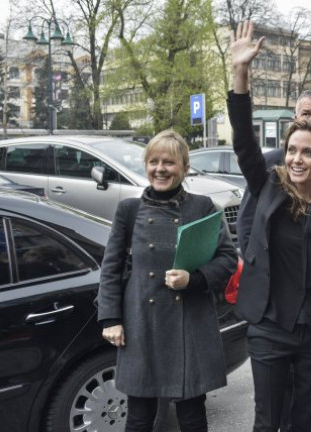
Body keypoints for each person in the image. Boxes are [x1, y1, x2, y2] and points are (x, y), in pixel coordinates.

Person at [227, 21, 311, 432]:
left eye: (307, 152)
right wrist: (240, 74)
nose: (297, 159)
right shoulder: (267, 188)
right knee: (267, 422)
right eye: (291, 150)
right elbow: (244, 140)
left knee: (302, 422)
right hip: (270, 329)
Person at [97, 130, 237, 432]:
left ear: (185, 168)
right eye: (154, 161)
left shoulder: (202, 207)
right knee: (138, 417)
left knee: (192, 416)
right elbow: (111, 267)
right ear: (146, 165)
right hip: (141, 322)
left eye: (169, 163)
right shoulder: (129, 210)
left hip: (189, 322)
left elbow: (227, 258)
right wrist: (111, 318)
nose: (160, 169)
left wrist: (194, 278)